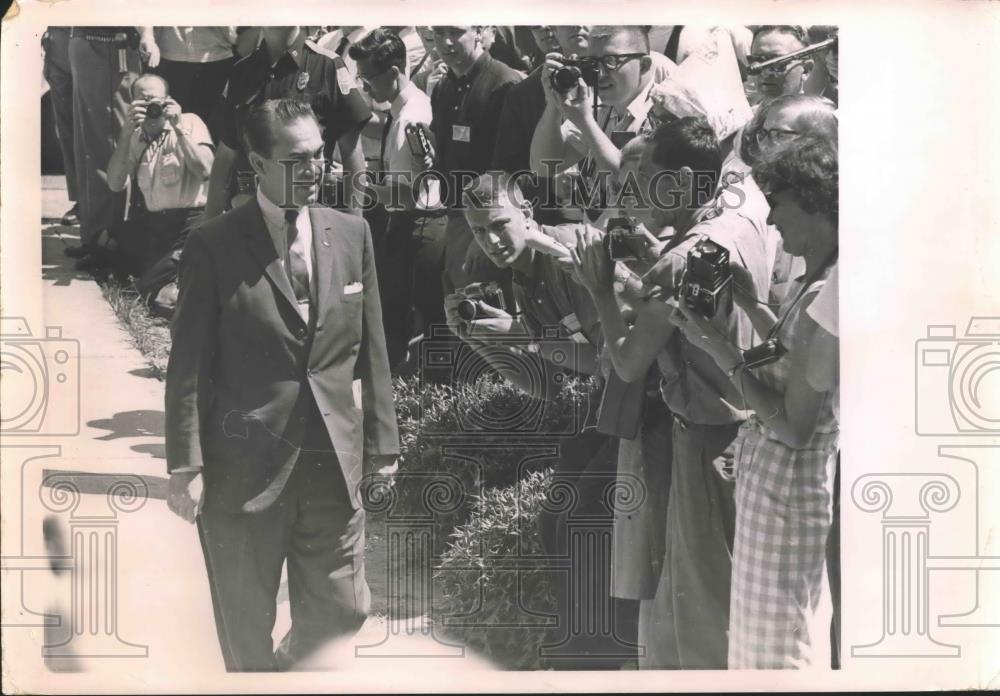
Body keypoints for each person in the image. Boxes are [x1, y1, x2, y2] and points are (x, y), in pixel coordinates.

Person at [165, 99, 400, 671]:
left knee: (343, 610)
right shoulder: (214, 244)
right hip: (244, 472)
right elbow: (188, 363)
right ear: (258, 163)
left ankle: (293, 668)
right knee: (245, 627)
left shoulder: (351, 234)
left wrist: (383, 447)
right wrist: (185, 466)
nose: (316, 168)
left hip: (330, 463)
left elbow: (373, 351)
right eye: (298, 159)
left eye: (320, 155)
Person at [571, 116, 773, 669]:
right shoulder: (740, 220)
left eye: (638, 180)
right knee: (722, 594)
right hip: (742, 433)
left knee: (704, 609)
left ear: (681, 179)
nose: (626, 196)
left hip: (705, 440)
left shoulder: (680, 258)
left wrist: (600, 291)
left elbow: (631, 363)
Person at [446, 173, 641, 668]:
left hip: (644, 403)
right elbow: (544, 383)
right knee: (555, 518)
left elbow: (605, 357)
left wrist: (522, 336)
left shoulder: (569, 255)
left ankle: (599, 654)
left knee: (581, 519)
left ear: (526, 213)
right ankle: (581, 647)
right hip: (608, 405)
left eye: (499, 224)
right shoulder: (521, 273)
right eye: (478, 230)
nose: (491, 240)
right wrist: (479, 339)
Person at [667, 135, 839, 668]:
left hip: (789, 489)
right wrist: (748, 301)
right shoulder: (823, 280)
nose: (772, 223)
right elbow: (794, 352)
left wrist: (718, 348)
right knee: (772, 633)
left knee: (777, 649)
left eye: (779, 206)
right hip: (777, 491)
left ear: (813, 203)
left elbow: (794, 427)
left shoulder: (831, 289)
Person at [348, 28, 448, 370]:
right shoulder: (405, 107)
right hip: (413, 225)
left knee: (405, 316)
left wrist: (354, 179)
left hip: (417, 227)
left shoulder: (410, 116)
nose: (365, 87)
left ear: (393, 72)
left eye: (368, 79)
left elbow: (404, 196)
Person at [203, 26, 371, 220]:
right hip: (252, 215)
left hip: (309, 214)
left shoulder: (327, 66)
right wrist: (209, 224)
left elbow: (352, 155)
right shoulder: (241, 72)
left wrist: (353, 224)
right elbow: (225, 156)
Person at [529, 26, 674, 223]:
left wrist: (586, 123)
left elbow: (636, 187)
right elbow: (543, 166)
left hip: (640, 246)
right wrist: (554, 103)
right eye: (592, 64)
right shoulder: (600, 109)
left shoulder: (666, 113)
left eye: (610, 61)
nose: (600, 73)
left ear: (645, 65)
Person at [429, 26, 522, 292]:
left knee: (486, 316)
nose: (446, 42)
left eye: (456, 31)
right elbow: (445, 154)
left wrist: (481, 236)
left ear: (479, 31)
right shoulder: (444, 87)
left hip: (491, 227)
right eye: (438, 32)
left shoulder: (504, 83)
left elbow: (508, 168)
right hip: (456, 219)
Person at [104, 73, 213, 278]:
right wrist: (126, 134)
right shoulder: (135, 137)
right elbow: (114, 184)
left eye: (155, 100)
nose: (151, 107)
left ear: (168, 101)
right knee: (120, 264)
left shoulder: (189, 122)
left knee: (152, 283)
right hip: (156, 228)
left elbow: (205, 171)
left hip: (190, 224)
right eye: (143, 101)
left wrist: (179, 129)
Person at [63, 26, 144, 268]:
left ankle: (111, 240)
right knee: (89, 145)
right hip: (85, 41)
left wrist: (147, 33)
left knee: (116, 142)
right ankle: (95, 237)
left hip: (114, 44)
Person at [151, 27, 238, 129]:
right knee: (168, 122)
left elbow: (236, 33)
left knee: (212, 126)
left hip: (217, 59)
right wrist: (147, 37)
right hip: (168, 56)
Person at [42, 27, 79, 226]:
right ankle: (82, 201)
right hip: (58, 40)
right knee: (68, 129)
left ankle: (103, 205)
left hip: (93, 39)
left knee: (96, 129)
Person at [745, 25, 813, 104]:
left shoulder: (819, 115)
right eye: (756, 60)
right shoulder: (746, 115)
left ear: (805, 70)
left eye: (778, 63)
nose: (765, 73)